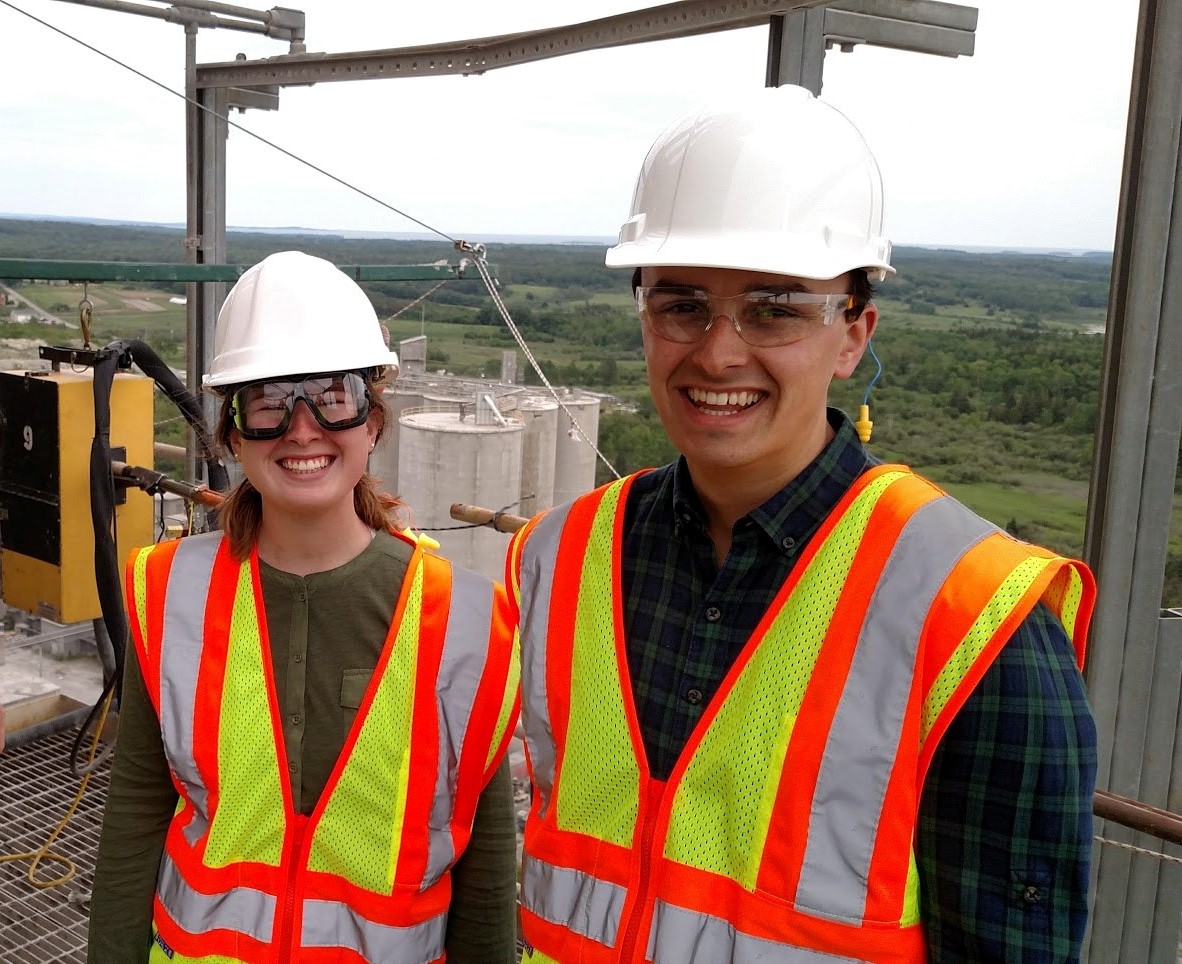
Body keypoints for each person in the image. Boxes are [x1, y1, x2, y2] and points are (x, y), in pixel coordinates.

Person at [506, 85, 1096, 962]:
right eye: (682, 304)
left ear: (855, 333)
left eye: (775, 307)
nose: (718, 351)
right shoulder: (561, 560)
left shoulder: (973, 616)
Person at [89, 250, 520, 963]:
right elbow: (137, 808)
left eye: (332, 395)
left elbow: (486, 859)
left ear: (373, 421)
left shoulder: (462, 623)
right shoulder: (170, 595)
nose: (302, 427)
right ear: (230, 433)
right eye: (267, 401)